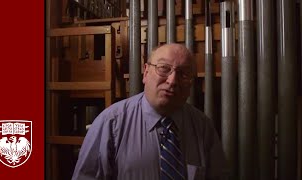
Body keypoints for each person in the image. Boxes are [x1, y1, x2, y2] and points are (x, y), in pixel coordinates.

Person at [72, 43, 229, 180]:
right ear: (146, 72)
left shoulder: (203, 126)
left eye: (183, 74)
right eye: (164, 69)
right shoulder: (110, 123)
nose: (173, 80)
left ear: (191, 83)